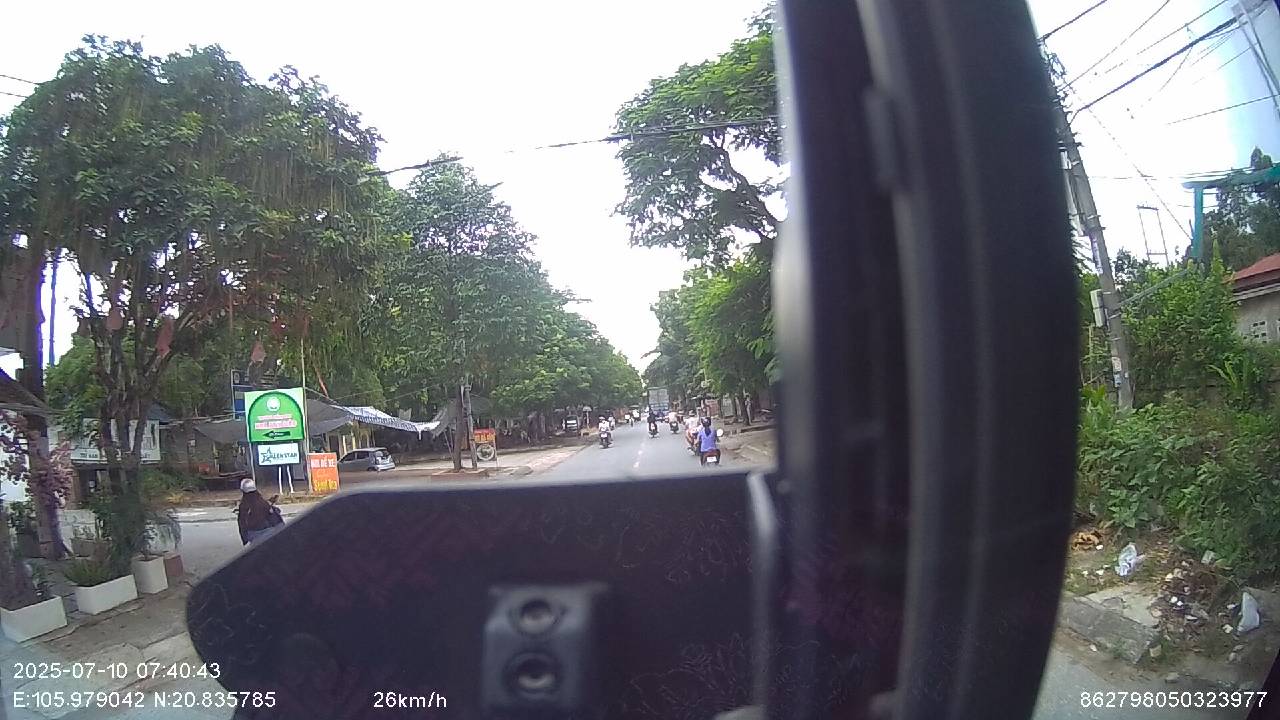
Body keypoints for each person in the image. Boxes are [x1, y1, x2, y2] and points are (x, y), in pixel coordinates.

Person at [237, 478, 283, 545]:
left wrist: (244, 539)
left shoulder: (244, 505)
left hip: (254, 534)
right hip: (267, 533)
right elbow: (275, 519)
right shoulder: (261, 501)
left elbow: (242, 523)